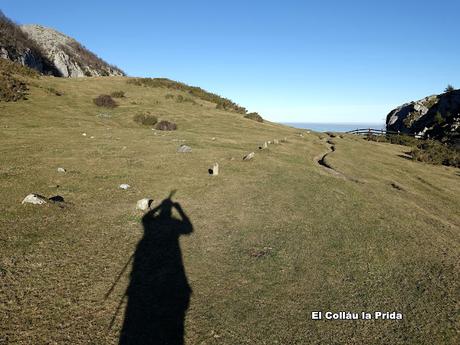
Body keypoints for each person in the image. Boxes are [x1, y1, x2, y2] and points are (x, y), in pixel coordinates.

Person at [119, 194, 193, 345]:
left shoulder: (151, 223)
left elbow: (146, 218)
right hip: (167, 261)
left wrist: (156, 207)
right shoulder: (172, 222)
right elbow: (188, 228)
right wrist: (178, 209)